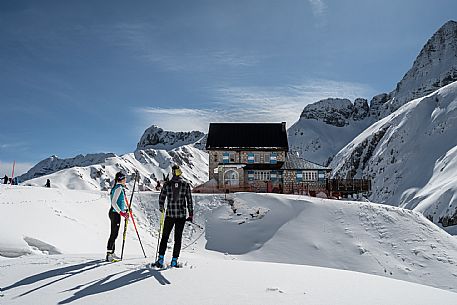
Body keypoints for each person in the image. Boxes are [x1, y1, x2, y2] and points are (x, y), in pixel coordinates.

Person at [154, 165, 193, 268]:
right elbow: (189, 200)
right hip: (181, 216)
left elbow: (161, 197)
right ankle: (174, 261)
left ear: (172, 172)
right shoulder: (185, 184)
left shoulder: (167, 184)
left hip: (170, 215)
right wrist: (191, 214)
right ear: (180, 172)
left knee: (165, 237)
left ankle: (161, 259)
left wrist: (161, 207)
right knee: (178, 238)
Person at [106, 171, 129, 262]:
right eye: (124, 178)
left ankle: (112, 253)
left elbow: (119, 202)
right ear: (121, 179)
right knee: (113, 234)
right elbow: (114, 202)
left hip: (115, 213)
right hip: (115, 213)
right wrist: (121, 212)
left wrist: (125, 210)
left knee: (114, 234)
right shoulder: (119, 188)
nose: (125, 180)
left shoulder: (118, 187)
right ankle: (109, 255)